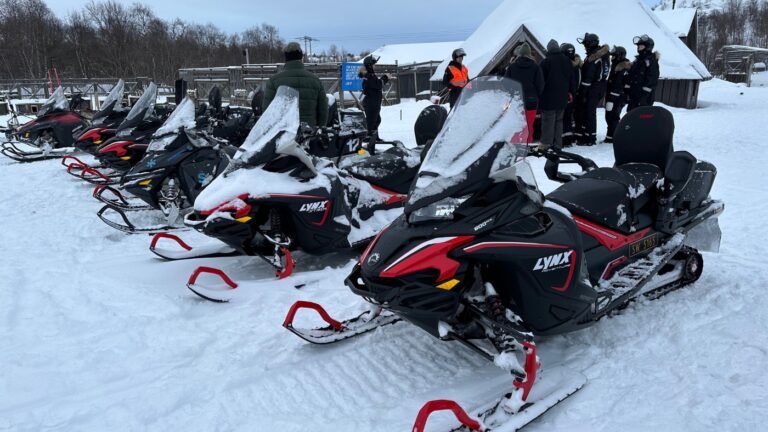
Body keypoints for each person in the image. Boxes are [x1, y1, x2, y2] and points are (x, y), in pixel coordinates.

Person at [263, 42, 327, 127]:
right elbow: (323, 110)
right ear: (301, 57)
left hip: (282, 135)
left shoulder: (273, 81)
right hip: (309, 135)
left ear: (286, 58)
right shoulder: (315, 80)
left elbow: (267, 112)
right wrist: (320, 129)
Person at [538, 39, 576, 151]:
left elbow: (540, 81)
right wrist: (571, 92)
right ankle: (557, 144)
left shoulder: (545, 62)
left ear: (548, 49)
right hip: (562, 98)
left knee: (548, 122)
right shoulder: (567, 61)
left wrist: (539, 94)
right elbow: (571, 79)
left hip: (548, 98)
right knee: (559, 121)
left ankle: (546, 144)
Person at [504, 42, 544, 144]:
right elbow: (540, 85)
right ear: (529, 54)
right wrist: (537, 96)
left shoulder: (512, 67)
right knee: (529, 126)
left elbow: (506, 84)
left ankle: (516, 147)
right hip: (531, 101)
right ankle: (528, 146)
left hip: (517, 101)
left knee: (517, 126)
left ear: (520, 54)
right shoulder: (535, 67)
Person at [574, 33, 609, 145]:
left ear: (591, 44)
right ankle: (587, 135)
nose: (584, 46)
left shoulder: (596, 58)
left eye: (586, 44)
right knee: (587, 111)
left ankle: (590, 138)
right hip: (596, 87)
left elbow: (589, 76)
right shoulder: (597, 56)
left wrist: (582, 92)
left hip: (594, 88)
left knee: (590, 112)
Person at [358, 55, 389, 154]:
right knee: (371, 122)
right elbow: (378, 84)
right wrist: (386, 77)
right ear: (370, 65)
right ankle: (367, 141)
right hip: (371, 103)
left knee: (376, 120)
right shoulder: (369, 75)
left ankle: (374, 138)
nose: (375, 66)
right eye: (374, 64)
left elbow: (375, 84)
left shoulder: (369, 74)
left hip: (373, 102)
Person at [604, 46, 631, 143]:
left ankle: (614, 137)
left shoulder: (622, 69)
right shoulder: (616, 67)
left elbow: (618, 85)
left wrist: (612, 98)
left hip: (617, 97)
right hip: (613, 96)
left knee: (613, 117)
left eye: (614, 56)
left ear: (619, 56)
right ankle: (610, 136)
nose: (612, 58)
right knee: (609, 116)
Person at [627, 34, 660, 111]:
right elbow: (631, 75)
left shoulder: (651, 61)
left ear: (648, 47)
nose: (639, 48)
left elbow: (652, 77)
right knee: (631, 115)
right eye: (638, 46)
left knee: (641, 117)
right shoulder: (637, 60)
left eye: (641, 46)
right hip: (634, 95)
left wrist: (644, 93)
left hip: (644, 97)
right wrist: (628, 87)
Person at [560, 43, 582, 147]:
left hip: (568, 94)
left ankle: (565, 139)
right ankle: (569, 138)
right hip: (574, 94)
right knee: (568, 117)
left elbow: (571, 81)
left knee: (565, 116)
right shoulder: (577, 65)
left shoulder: (568, 65)